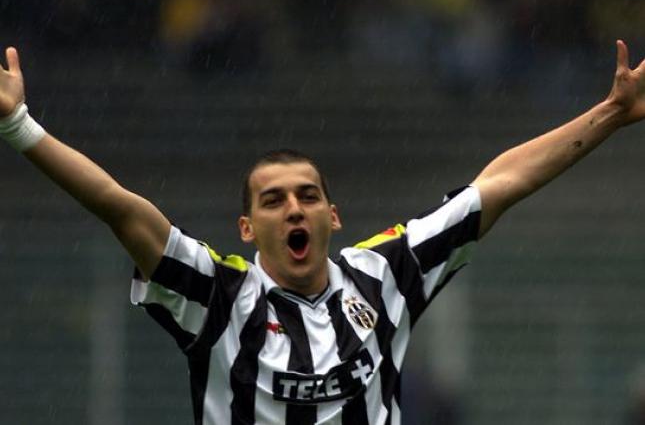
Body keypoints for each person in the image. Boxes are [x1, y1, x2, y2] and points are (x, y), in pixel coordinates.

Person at [0, 41, 643, 425]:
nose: (294, 209)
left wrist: (611, 114)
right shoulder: (217, 294)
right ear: (248, 227)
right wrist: (19, 127)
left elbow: (500, 184)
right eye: (273, 201)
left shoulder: (385, 271)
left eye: (308, 196)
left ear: (333, 215)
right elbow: (118, 207)